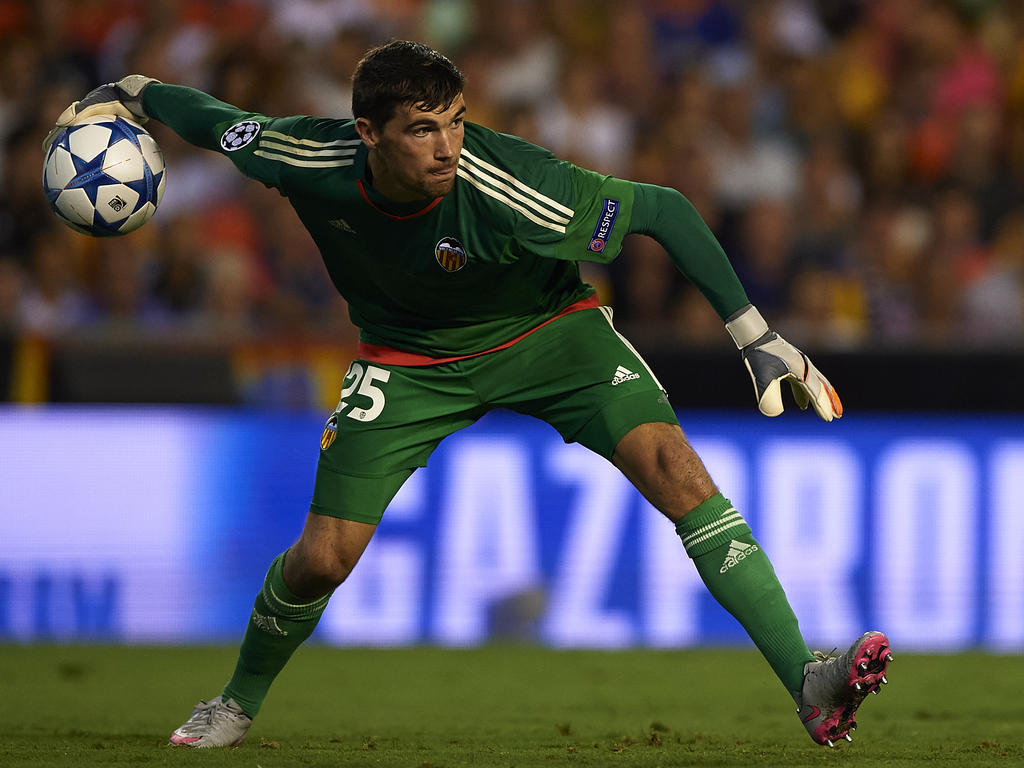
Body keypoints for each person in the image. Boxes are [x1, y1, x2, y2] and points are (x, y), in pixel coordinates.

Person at [46, 41, 891, 750]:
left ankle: (810, 681)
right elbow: (213, 120)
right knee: (322, 560)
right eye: (423, 131)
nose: (448, 146)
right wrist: (134, 90)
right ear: (368, 134)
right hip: (407, 362)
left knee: (677, 469)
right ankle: (235, 700)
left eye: (454, 121)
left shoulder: (509, 182)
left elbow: (663, 210)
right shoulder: (306, 155)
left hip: (549, 334)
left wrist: (757, 337)